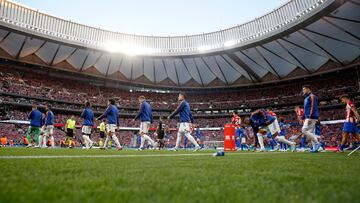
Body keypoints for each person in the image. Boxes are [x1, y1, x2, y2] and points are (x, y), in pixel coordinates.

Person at [301, 85, 321, 152]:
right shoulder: (306, 98)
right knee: (311, 132)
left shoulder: (312, 96)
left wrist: (309, 117)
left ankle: (317, 143)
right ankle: (315, 148)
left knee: (304, 130)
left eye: (304, 89)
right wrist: (303, 117)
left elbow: (313, 106)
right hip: (308, 117)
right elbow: (305, 109)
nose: (303, 91)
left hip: (311, 117)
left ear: (308, 89)